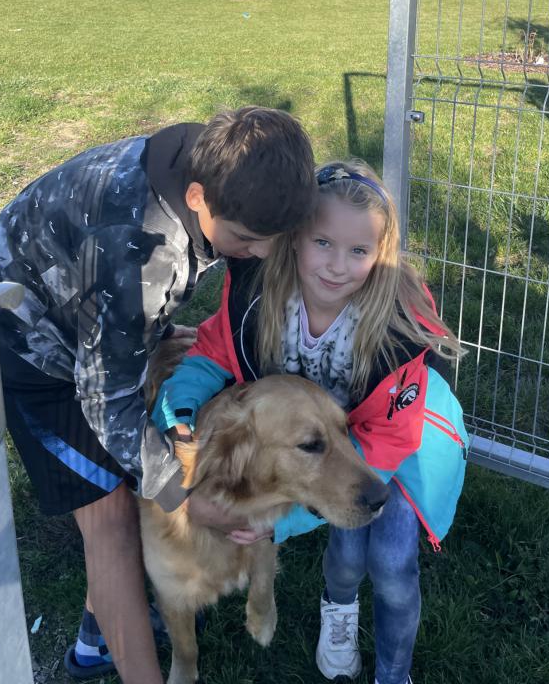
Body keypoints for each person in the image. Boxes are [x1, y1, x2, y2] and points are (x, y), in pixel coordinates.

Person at [0, 107, 316, 683]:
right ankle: (115, 659)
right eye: (245, 240)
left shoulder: (221, 167)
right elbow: (106, 401)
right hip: (27, 346)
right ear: (196, 197)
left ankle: (101, 631)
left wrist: (145, 335)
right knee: (111, 519)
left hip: (89, 309)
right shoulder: (139, 252)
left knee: (129, 472)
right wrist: (184, 496)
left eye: (272, 241)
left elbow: (107, 297)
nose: (262, 253)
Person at [154, 159, 469, 684]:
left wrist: (279, 522)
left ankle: (394, 674)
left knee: (392, 562)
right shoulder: (259, 295)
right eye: (323, 242)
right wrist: (178, 416)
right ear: (295, 239)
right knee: (346, 555)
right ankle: (339, 606)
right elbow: (213, 352)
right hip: (329, 445)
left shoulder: (396, 330)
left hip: (396, 444)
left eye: (359, 251)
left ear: (381, 255)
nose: (337, 266)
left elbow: (387, 441)